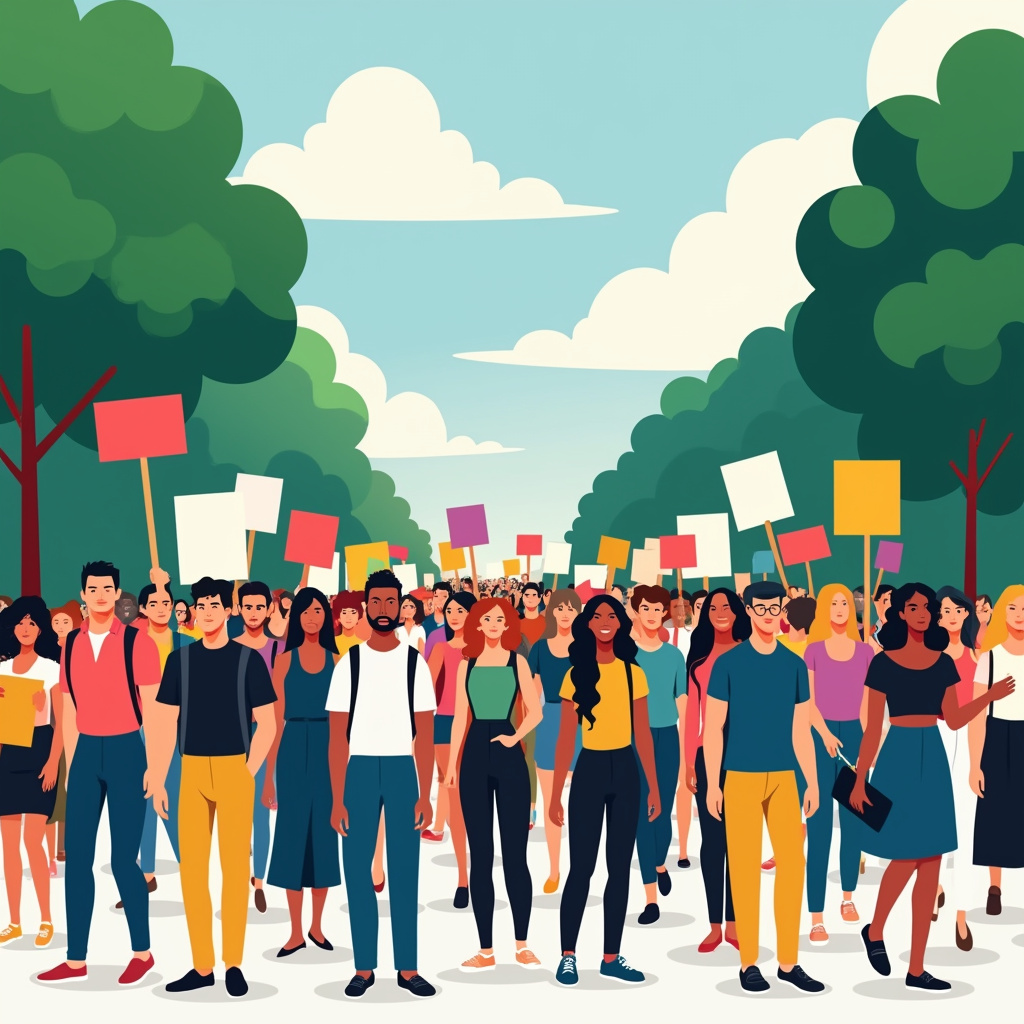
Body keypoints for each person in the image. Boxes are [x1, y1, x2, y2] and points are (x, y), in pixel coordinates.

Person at [854, 583, 1013, 992]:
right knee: (906, 857)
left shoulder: (944, 663)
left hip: (934, 759)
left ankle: (917, 967)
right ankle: (875, 930)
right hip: (897, 759)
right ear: (901, 614)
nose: (923, 613)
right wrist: (859, 778)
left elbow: (955, 719)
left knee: (932, 863)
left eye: (927, 607)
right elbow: (873, 728)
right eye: (914, 607)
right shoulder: (882, 665)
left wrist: (989, 697)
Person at [147, 577, 278, 997]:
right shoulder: (180, 662)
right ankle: (202, 965)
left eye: (214, 603)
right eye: (200, 603)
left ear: (229, 610)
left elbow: (268, 723)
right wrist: (160, 774)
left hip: (234, 770)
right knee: (193, 873)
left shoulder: (248, 661)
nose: (206, 610)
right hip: (190, 773)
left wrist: (249, 769)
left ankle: (233, 963)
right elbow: (166, 722)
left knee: (235, 870)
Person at [37, 562, 161, 986]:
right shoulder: (70, 643)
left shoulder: (137, 643)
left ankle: (142, 952)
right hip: (87, 752)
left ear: (118, 592)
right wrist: (73, 762)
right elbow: (67, 706)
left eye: (108, 588)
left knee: (124, 859)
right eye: (93, 589)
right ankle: (76, 959)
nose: (102, 595)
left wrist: (157, 767)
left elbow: (157, 712)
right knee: (78, 860)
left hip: (128, 751)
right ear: (84, 595)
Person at [703, 581, 823, 994]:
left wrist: (811, 779)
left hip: (785, 777)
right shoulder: (728, 664)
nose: (770, 614)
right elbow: (713, 728)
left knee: (793, 866)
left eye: (776, 608)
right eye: (762, 608)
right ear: (748, 612)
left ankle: (789, 963)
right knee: (745, 868)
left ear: (783, 611)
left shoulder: (793, 665)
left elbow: (801, 729)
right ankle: (749, 962)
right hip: (739, 776)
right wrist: (713, 783)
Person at [326, 569, 437, 999]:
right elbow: (337, 735)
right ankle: (364, 967)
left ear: (401, 605)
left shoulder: (415, 663)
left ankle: (408, 968)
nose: (384, 610)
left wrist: (424, 793)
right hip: (357, 771)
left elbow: (425, 734)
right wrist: (338, 797)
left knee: (405, 871)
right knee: (357, 871)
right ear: (365, 606)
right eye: (376, 602)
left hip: (401, 770)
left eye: (392, 602)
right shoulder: (348, 663)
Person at [551, 595, 660, 986]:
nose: (604, 622)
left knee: (619, 868)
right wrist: (553, 793)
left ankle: (611, 956)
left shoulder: (635, 673)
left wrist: (653, 788)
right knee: (581, 867)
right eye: (597, 616)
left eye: (611, 616)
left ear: (621, 623)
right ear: (588, 623)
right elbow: (566, 738)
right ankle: (568, 955)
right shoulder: (574, 674)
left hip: (627, 771)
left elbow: (643, 734)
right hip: (590, 770)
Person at [446, 598, 542, 971]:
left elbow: (536, 710)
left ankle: (522, 944)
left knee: (515, 855)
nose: (493, 624)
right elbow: (458, 718)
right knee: (481, 856)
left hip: (507, 752)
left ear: (508, 626)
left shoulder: (517, 661)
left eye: (500, 619)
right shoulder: (465, 666)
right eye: (486, 618)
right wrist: (452, 764)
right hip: (473, 757)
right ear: (477, 624)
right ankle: (486, 950)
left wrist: (514, 736)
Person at [263, 588, 341, 956]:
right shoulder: (284, 661)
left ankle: (317, 926)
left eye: (318, 611)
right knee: (292, 838)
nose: (312, 618)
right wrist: (268, 778)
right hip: (293, 747)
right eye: (306, 612)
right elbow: (274, 721)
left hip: (328, 748)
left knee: (324, 838)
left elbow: (344, 724)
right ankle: (295, 931)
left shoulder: (337, 660)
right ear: (296, 618)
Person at [802, 584, 874, 943]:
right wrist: (825, 734)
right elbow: (808, 701)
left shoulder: (866, 651)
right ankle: (816, 915)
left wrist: (865, 744)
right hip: (819, 740)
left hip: (855, 741)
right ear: (823, 609)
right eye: (834, 602)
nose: (842, 608)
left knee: (853, 826)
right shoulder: (812, 651)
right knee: (818, 829)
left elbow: (868, 701)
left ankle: (848, 897)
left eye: (846, 602)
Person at [120, 577, 193, 909]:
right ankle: (145, 874)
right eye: (155, 604)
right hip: (139, 729)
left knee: (172, 802)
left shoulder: (186, 643)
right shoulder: (132, 643)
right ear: (144, 609)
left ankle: (190, 871)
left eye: (168, 603)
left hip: (176, 732)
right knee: (143, 804)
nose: (162, 609)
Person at [683, 588, 746, 952]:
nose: (720, 612)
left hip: (746, 755)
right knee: (713, 842)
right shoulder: (700, 659)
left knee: (740, 840)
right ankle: (714, 924)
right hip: (709, 754)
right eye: (713, 607)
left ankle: (736, 924)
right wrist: (689, 760)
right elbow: (693, 712)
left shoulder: (751, 650)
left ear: (737, 612)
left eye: (726, 606)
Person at [0, 598, 62, 948]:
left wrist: (53, 761)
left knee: (32, 841)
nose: (26, 629)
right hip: (9, 753)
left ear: (41, 628)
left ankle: (45, 919)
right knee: (8, 846)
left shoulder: (51, 668)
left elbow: (62, 722)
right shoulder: (3, 669)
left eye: (32, 623)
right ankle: (13, 920)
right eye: (20, 623)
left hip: (40, 750)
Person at [629, 585, 686, 925]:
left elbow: (682, 700)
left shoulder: (674, 656)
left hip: (667, 737)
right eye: (645, 609)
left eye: (658, 609)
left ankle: (660, 861)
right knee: (640, 814)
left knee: (661, 810)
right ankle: (650, 897)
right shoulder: (626, 655)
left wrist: (689, 745)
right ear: (636, 611)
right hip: (634, 740)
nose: (652, 615)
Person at [971, 585, 1024, 921]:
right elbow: (977, 713)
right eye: (1013, 609)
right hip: (998, 737)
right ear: (1002, 613)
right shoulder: (988, 658)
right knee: (996, 815)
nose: (1020, 616)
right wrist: (975, 763)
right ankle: (995, 886)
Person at [527, 589, 583, 894]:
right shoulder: (539, 648)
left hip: (581, 725)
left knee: (582, 804)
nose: (564, 613)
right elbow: (532, 696)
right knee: (552, 803)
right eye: (559, 608)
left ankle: (579, 868)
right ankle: (554, 869)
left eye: (570, 608)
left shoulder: (587, 648)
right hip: (549, 724)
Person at [934, 586, 980, 949]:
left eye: (956, 610)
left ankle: (962, 915)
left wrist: (979, 758)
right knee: (935, 818)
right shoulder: (930, 656)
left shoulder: (980, 658)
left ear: (966, 614)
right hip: (935, 733)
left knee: (966, 824)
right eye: (943, 610)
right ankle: (934, 884)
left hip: (968, 737)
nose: (950, 615)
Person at [424, 592, 475, 896]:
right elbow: (425, 692)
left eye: (461, 610)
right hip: (443, 724)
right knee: (454, 794)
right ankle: (462, 878)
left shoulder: (483, 651)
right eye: (451, 610)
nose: (454, 615)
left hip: (477, 725)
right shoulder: (441, 648)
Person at [234, 581, 280, 913]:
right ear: (238, 609)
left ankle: (259, 880)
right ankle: (238, 877)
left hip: (266, 736)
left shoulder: (279, 651)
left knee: (260, 812)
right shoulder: (227, 647)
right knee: (235, 814)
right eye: (247, 607)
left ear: (268, 609)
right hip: (231, 738)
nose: (253, 613)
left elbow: (279, 706)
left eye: (258, 607)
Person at [47, 603, 79, 866]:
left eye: (65, 622)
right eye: (56, 622)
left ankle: (64, 845)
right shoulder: (47, 653)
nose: (60, 626)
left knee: (67, 785)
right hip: (48, 722)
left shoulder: (79, 649)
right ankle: (50, 849)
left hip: (74, 722)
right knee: (49, 789)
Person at [332, 591, 369, 657]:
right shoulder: (332, 644)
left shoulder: (363, 644)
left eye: (353, 612)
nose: (348, 616)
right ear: (339, 618)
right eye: (344, 612)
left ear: (358, 616)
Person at [519, 583, 546, 647]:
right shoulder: (517, 623)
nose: (530, 600)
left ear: (539, 599)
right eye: (527, 596)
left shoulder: (546, 623)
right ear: (522, 597)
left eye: (534, 595)